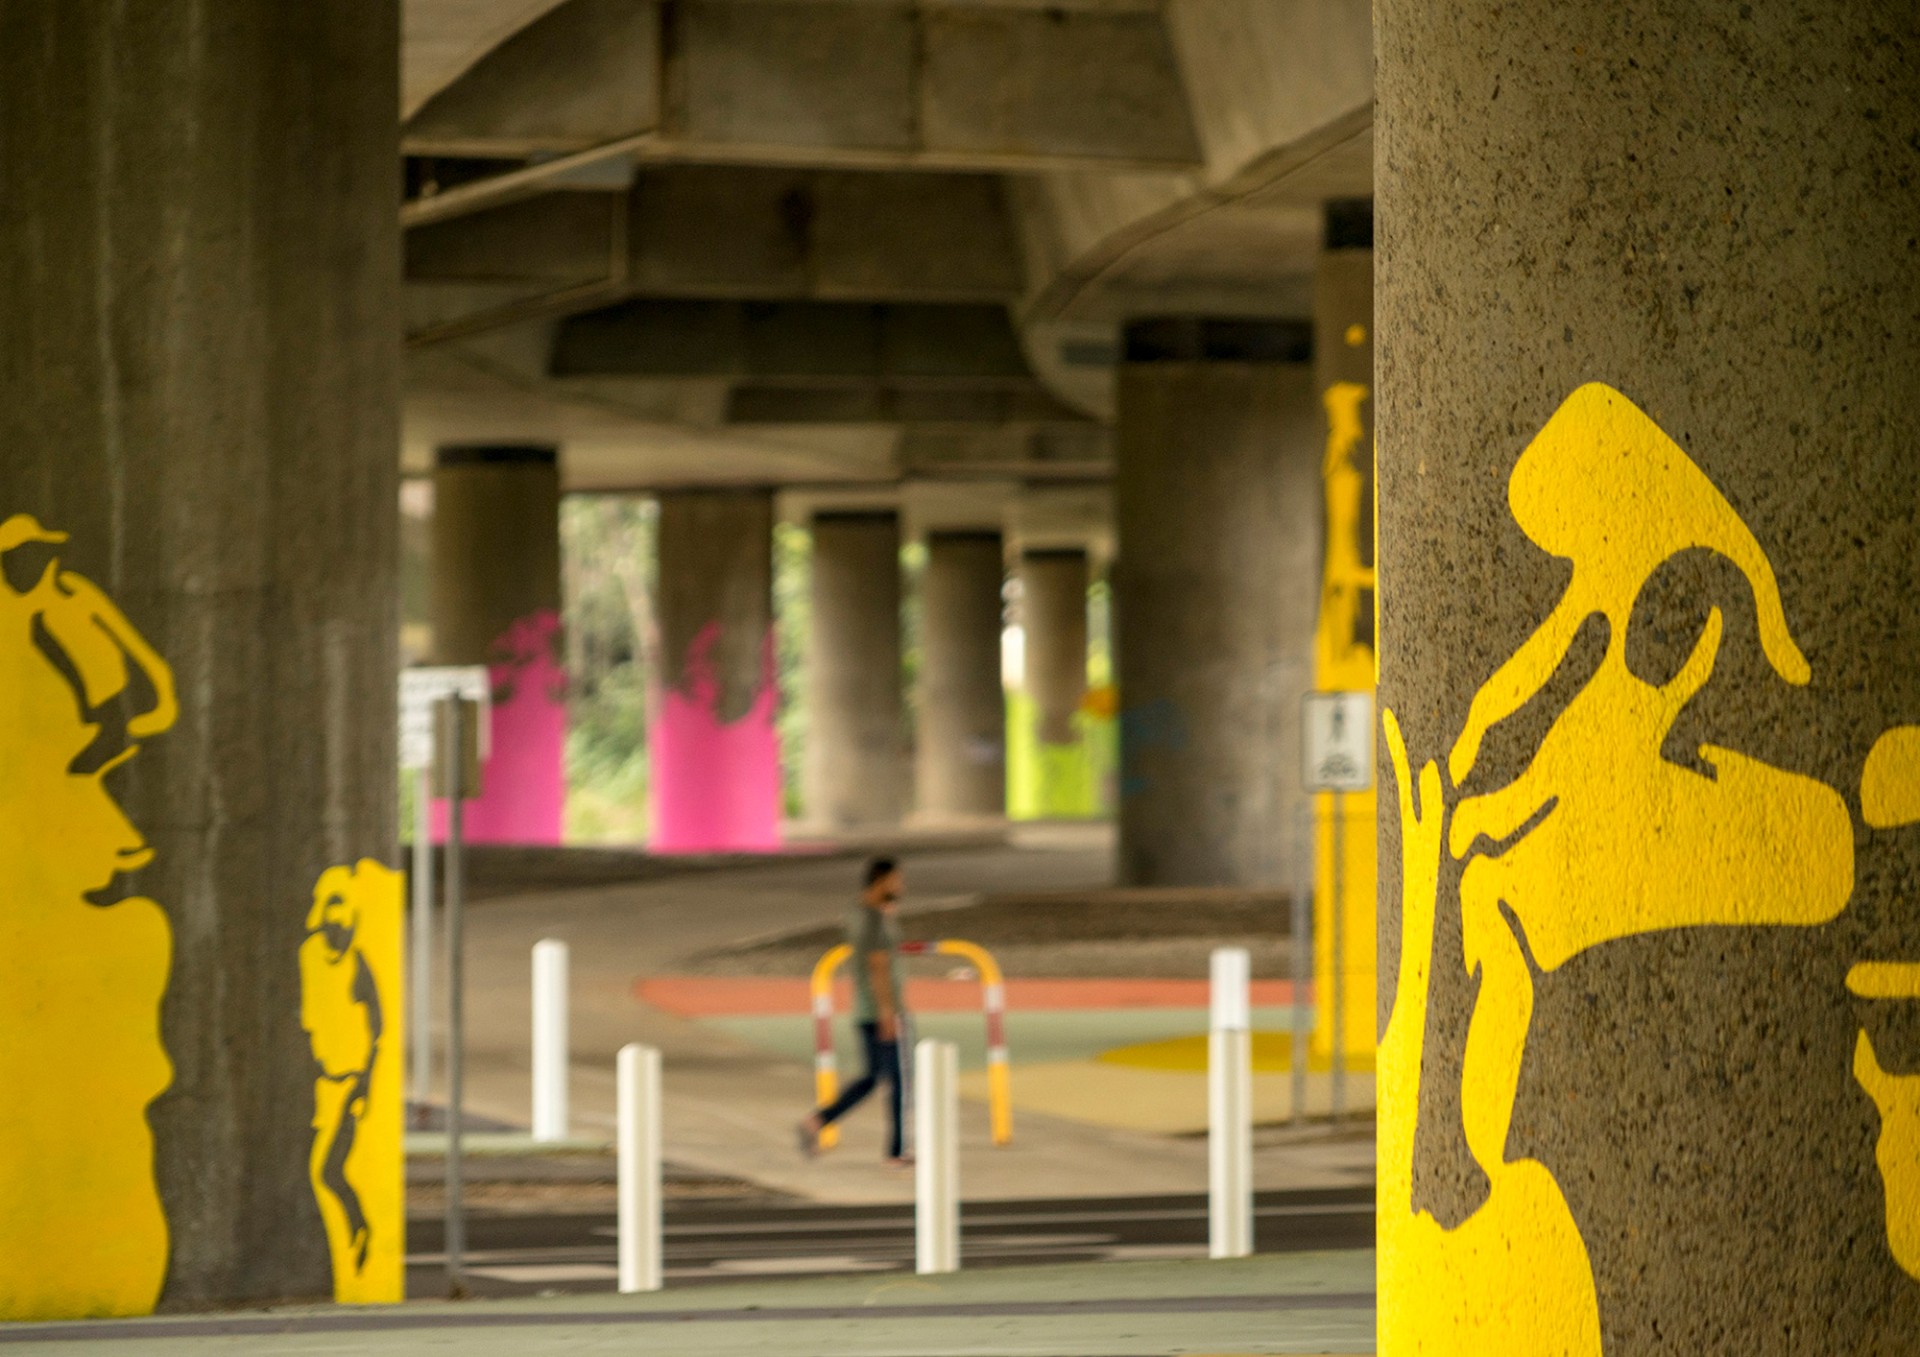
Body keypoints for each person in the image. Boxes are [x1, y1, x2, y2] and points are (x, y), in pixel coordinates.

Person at [797, 857, 909, 1164]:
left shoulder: (859, 914)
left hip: (865, 1008)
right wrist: (888, 1011)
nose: (901, 886)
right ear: (881, 880)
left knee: (873, 1078)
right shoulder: (872, 919)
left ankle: (818, 1121)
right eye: (896, 880)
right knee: (898, 1080)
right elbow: (877, 965)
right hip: (880, 1010)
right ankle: (896, 1150)